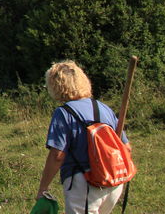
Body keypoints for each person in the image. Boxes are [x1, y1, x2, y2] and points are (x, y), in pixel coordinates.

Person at [36, 61, 129, 214]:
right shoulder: (103, 107)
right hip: (113, 182)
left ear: (55, 86)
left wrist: (43, 187)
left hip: (84, 184)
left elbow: (57, 155)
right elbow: (126, 147)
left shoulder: (63, 113)